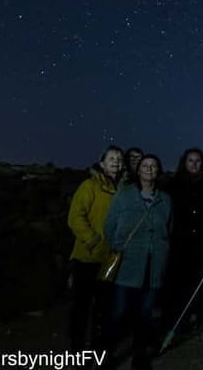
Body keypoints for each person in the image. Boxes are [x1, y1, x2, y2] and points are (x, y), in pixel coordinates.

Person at [103, 154, 172, 370]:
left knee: (145, 314)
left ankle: (139, 356)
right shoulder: (124, 195)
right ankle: (106, 356)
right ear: (138, 170)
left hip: (154, 266)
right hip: (128, 264)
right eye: (145, 165)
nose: (149, 169)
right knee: (118, 313)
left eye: (154, 165)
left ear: (158, 171)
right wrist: (120, 246)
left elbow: (169, 228)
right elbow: (109, 225)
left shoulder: (165, 199)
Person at [67, 145, 124, 351]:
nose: (116, 162)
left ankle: (98, 350)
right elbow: (75, 216)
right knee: (80, 308)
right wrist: (92, 240)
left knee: (103, 308)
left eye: (119, 158)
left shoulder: (124, 189)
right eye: (111, 158)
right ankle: (77, 351)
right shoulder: (89, 186)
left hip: (111, 259)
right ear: (102, 163)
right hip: (87, 257)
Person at [164, 148, 203, 330]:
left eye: (198, 160)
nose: (194, 164)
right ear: (184, 163)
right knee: (178, 278)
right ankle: (175, 317)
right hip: (179, 240)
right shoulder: (173, 185)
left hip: (201, 241)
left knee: (197, 279)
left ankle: (194, 314)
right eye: (190, 160)